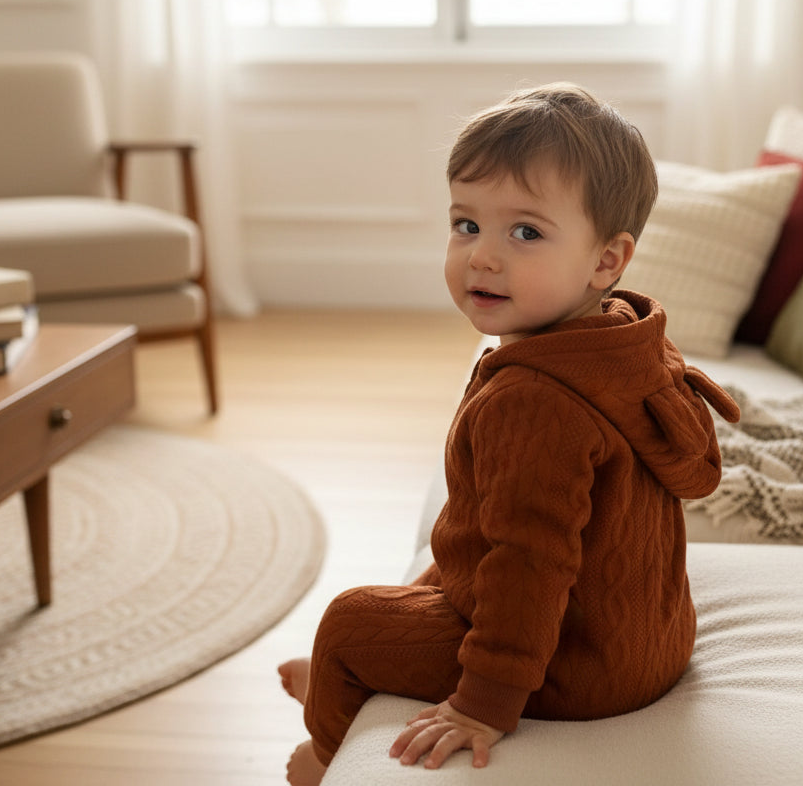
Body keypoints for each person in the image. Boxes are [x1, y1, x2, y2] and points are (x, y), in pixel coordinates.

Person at [278, 82, 740, 785]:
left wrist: (484, 703)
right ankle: (352, 672)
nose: (483, 257)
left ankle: (324, 748)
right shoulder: (626, 342)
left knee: (349, 622)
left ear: (606, 261)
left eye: (525, 232)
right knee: (458, 540)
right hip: (653, 642)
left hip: (576, 666)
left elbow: (531, 564)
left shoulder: (532, 400)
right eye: (467, 225)